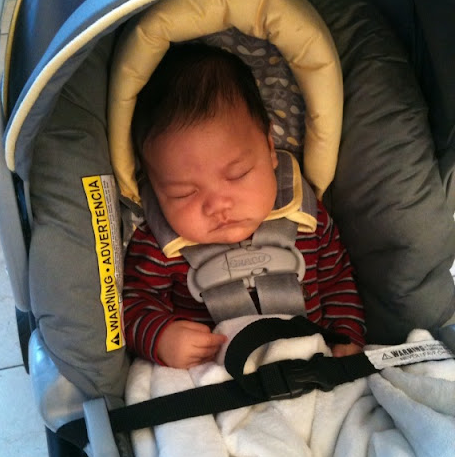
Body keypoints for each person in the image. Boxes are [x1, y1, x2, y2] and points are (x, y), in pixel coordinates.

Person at [124, 43, 365, 368]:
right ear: (154, 187)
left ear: (269, 149)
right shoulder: (157, 245)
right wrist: (161, 338)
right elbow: (133, 305)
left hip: (312, 366)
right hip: (219, 379)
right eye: (183, 193)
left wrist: (346, 336)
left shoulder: (308, 218)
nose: (218, 205)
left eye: (237, 175)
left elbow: (337, 282)